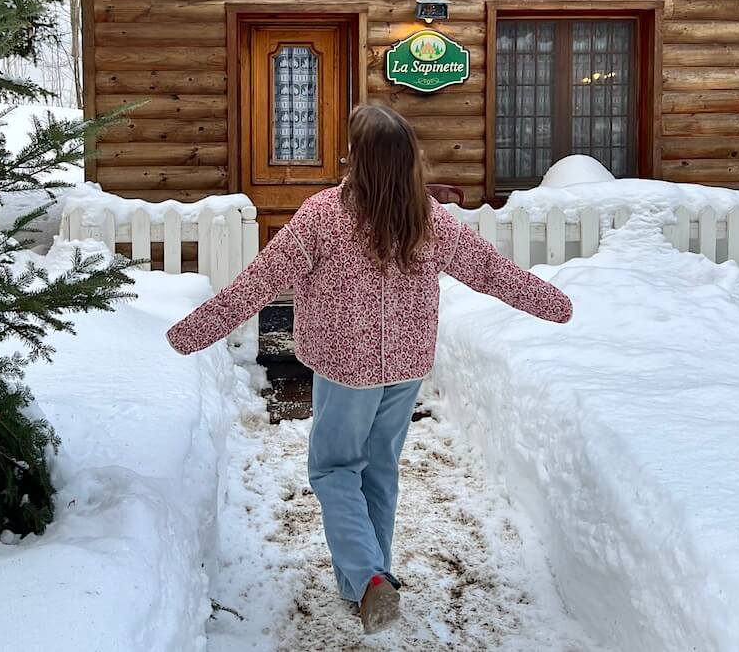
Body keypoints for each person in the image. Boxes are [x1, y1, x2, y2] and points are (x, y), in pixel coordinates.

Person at [166, 103, 573, 636]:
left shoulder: (323, 216)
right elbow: (493, 272)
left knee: (335, 471)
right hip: (405, 368)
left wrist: (190, 333)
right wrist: (553, 303)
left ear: (358, 160)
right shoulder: (428, 219)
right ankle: (369, 580)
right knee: (379, 470)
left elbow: (259, 282)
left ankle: (367, 580)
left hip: (344, 369)